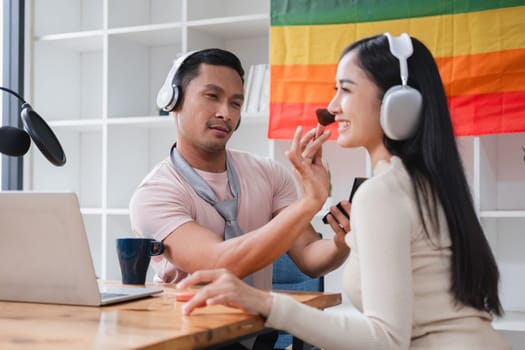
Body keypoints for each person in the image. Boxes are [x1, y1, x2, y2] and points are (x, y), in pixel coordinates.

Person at [176, 35, 511, 349]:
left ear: (398, 102)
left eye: (345, 90)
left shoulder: (382, 192)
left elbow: (384, 340)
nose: (332, 107)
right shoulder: (425, 180)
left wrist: (264, 302)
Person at [129, 48, 349, 291]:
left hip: (254, 326)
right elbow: (218, 263)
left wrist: (342, 242)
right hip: (186, 325)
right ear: (174, 101)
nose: (226, 113)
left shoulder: (270, 174)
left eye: (235, 103)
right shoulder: (153, 195)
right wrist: (309, 202)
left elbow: (309, 258)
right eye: (212, 96)